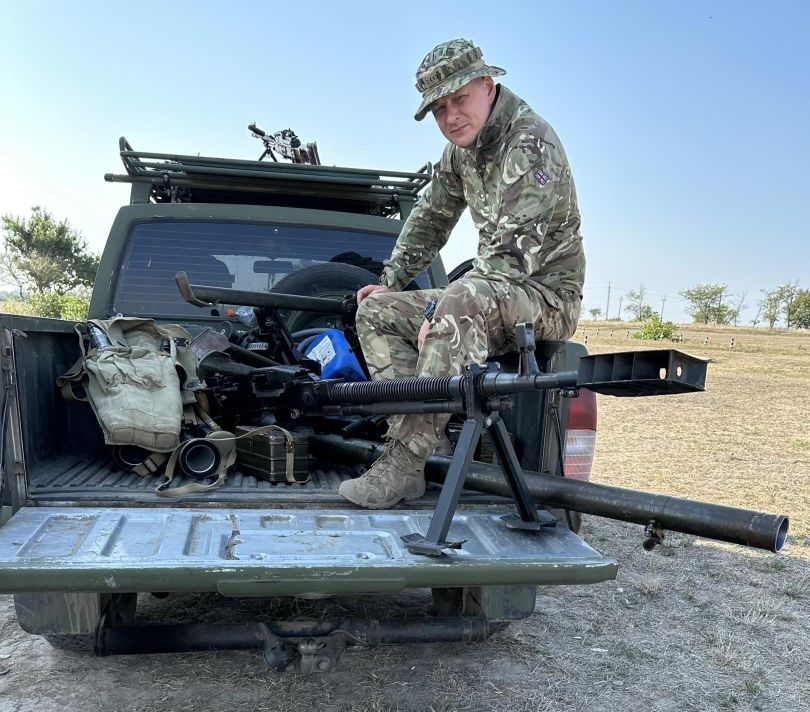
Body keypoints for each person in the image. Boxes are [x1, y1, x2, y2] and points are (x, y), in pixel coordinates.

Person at [338, 39, 585, 509]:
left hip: (545, 298)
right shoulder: (459, 153)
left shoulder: (530, 142)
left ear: (488, 88)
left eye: (459, 99)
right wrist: (391, 280)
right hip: (492, 292)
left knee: (459, 301)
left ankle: (403, 464)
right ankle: (422, 440)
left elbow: (510, 260)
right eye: (439, 108)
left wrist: (440, 307)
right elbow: (430, 218)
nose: (450, 116)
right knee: (376, 310)